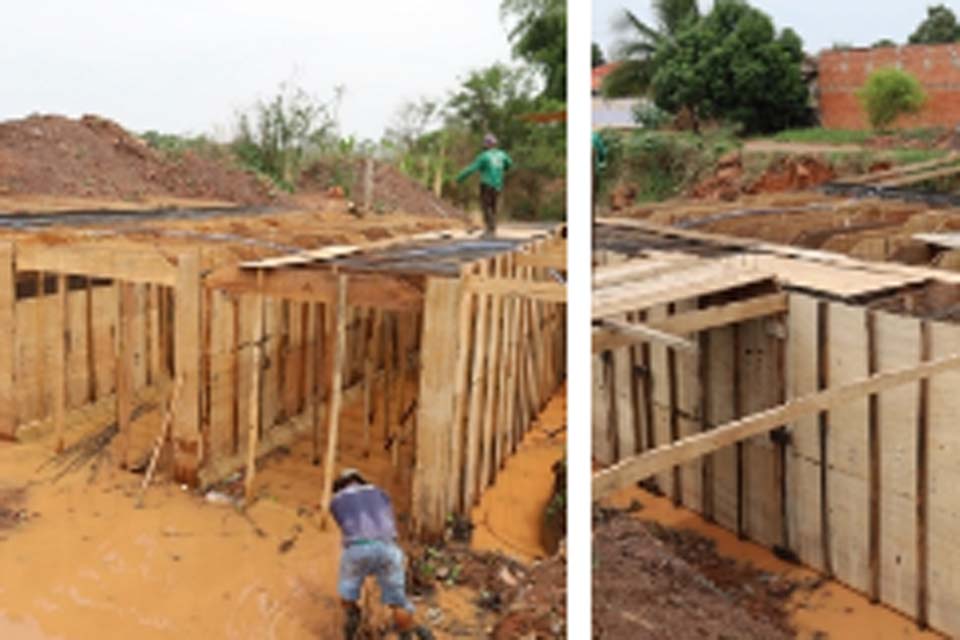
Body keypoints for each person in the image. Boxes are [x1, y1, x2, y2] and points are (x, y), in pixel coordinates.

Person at [330, 468, 433, 640]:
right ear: (361, 480)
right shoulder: (380, 493)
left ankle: (352, 619)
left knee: (347, 597)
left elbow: (347, 528)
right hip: (388, 548)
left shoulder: (336, 501)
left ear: (340, 486)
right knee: (397, 603)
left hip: (357, 549)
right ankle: (415, 631)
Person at [456, 133, 513, 235]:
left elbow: (472, 168)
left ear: (487, 145)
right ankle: (493, 227)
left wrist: (459, 178)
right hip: (498, 184)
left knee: (486, 206)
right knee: (493, 206)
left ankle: (490, 229)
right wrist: (502, 170)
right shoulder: (502, 155)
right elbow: (509, 164)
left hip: (486, 184)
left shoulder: (484, 156)